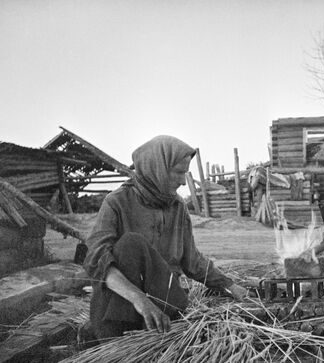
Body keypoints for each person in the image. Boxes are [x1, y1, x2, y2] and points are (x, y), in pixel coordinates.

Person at [83, 135, 248, 340]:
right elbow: (96, 261)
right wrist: (140, 299)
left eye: (185, 173)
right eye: (178, 172)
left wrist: (229, 285)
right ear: (157, 167)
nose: (183, 181)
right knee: (131, 244)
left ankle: (144, 333)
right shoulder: (117, 202)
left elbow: (192, 260)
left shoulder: (177, 206)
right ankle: (117, 335)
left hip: (165, 299)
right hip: (121, 306)